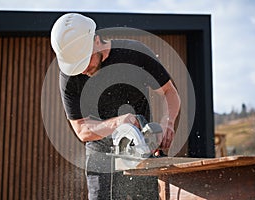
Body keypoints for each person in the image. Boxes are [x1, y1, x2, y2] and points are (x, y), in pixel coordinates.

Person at [51, 13, 181, 200]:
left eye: (85, 61)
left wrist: (167, 123)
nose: (82, 70)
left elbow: (170, 92)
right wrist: (119, 122)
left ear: (96, 41)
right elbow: (82, 130)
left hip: (139, 151)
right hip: (99, 155)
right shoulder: (69, 77)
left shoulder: (135, 54)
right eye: (76, 67)